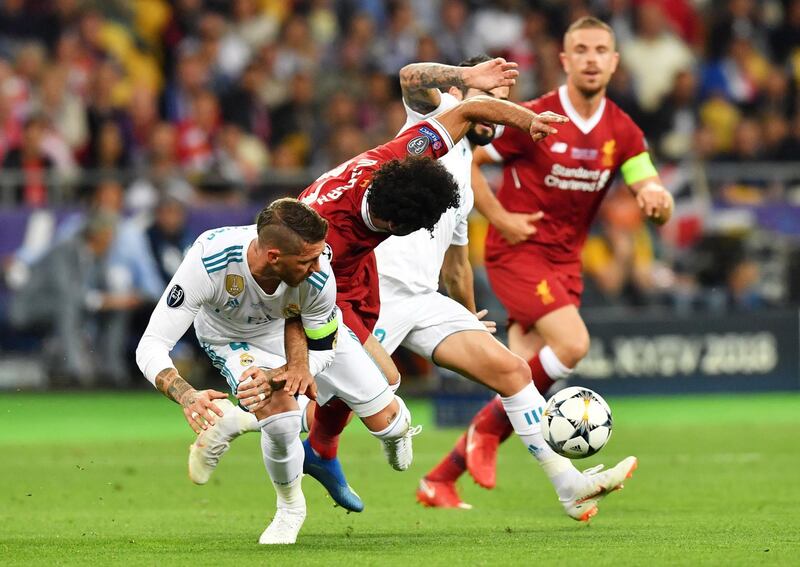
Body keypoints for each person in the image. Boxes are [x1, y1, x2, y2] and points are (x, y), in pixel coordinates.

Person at [296, 57, 581, 513]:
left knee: (512, 372)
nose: (495, 113)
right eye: (490, 102)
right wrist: (465, 80)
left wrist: (467, 311)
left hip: (423, 296)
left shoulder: (464, 176)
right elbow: (409, 75)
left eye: (501, 105)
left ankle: (569, 484)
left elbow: (456, 260)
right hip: (370, 287)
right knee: (339, 395)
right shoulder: (429, 121)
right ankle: (284, 442)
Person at [423, 16, 672, 505]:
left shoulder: (622, 131)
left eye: (601, 50)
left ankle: (441, 478)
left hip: (564, 264)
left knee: (518, 379)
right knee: (573, 344)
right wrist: (498, 217)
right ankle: (487, 437)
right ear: (565, 59)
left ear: (615, 61)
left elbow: (647, 183)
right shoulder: (534, 115)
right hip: (519, 253)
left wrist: (658, 200)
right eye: (581, 49)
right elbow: (466, 160)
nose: (592, 58)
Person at [135, 198, 415, 544]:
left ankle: (237, 420)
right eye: (307, 261)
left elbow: (323, 345)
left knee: (388, 423)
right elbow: (150, 345)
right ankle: (290, 509)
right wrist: (186, 394)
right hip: (234, 338)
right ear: (273, 257)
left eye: (319, 255)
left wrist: (295, 368)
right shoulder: (209, 260)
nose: (318, 267)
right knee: (281, 421)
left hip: (301, 332)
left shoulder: (317, 271)